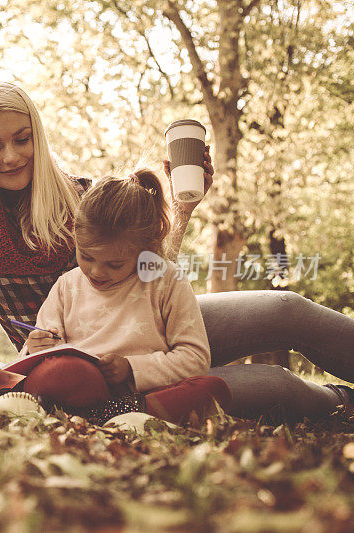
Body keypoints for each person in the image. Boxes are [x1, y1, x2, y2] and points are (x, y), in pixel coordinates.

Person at [0, 81, 354, 421]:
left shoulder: (83, 194)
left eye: (22, 139)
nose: (11, 156)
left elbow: (148, 275)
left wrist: (181, 209)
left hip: (147, 324)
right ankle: (340, 401)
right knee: (271, 383)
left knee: (284, 307)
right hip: (79, 364)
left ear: (37, 138)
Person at [19, 169, 230, 424]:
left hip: (141, 393)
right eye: (86, 256)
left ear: (146, 250)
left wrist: (131, 369)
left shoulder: (165, 281)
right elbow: (33, 361)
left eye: (115, 264)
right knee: (63, 371)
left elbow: (195, 358)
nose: (96, 272)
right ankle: (120, 416)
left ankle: (122, 412)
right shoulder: (67, 285)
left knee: (213, 389)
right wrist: (33, 348)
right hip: (75, 386)